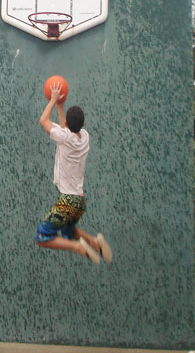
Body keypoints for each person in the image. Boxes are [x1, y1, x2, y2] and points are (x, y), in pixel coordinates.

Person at [35, 80, 112, 264]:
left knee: (42, 237)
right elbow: (65, 128)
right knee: (69, 232)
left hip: (68, 201)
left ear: (67, 123)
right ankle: (95, 243)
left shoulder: (64, 138)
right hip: (79, 201)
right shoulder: (84, 137)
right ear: (83, 124)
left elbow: (43, 121)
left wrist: (53, 100)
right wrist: (61, 106)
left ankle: (79, 248)